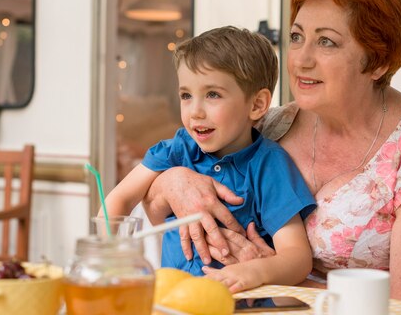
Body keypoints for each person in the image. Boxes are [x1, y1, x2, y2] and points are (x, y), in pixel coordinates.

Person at [141, 0, 401, 311]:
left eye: (326, 41)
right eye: (297, 37)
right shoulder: (270, 124)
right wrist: (174, 180)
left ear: (378, 61)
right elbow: (155, 210)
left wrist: (273, 277)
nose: (300, 59)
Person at [101, 26, 316, 293]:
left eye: (212, 94)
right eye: (186, 96)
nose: (195, 112)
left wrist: (253, 271)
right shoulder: (177, 150)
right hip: (172, 301)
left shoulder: (268, 165)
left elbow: (297, 256)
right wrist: (106, 257)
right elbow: (119, 200)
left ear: (257, 105)